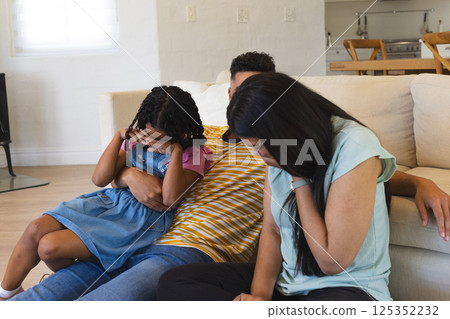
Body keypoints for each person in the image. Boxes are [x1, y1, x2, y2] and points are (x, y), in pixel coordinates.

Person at [8, 52, 449, 301]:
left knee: (106, 300)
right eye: (237, 92)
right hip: (149, 233)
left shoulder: (293, 148)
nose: (244, 101)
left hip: (199, 248)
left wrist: (420, 182)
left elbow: (357, 177)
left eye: (257, 93)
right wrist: (126, 175)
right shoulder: (208, 142)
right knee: (51, 280)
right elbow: (162, 185)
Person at [157, 72, 398, 301]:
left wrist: (298, 177)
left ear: (284, 127)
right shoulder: (278, 149)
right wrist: (259, 297)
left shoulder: (354, 144)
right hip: (289, 287)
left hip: (346, 290)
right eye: (253, 145)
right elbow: (272, 232)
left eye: (261, 144)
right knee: (175, 282)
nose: (259, 153)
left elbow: (332, 262)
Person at [0, 86, 212, 300]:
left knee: (48, 247)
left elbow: (169, 198)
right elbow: (99, 179)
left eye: (159, 139)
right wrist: (118, 137)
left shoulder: (194, 152)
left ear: (181, 134)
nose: (151, 143)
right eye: (148, 134)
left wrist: (174, 151)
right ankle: (7, 294)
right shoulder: (137, 143)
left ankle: (90, 275)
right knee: (35, 228)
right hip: (107, 202)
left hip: (135, 221)